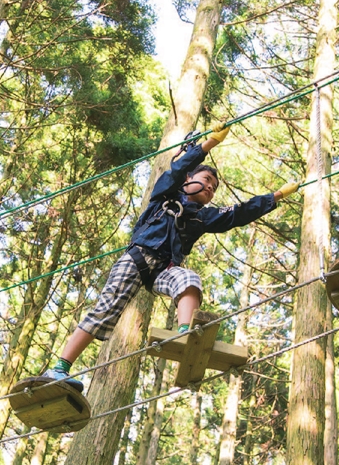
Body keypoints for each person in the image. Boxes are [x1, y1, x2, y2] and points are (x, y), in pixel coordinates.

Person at [42, 124, 299, 392]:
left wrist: (275, 197)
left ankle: (184, 332)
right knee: (104, 310)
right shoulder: (165, 193)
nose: (210, 188)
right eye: (206, 181)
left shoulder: (202, 216)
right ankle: (59, 368)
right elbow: (177, 169)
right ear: (188, 180)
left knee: (188, 278)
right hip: (137, 258)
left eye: (214, 188)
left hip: (162, 271)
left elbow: (238, 213)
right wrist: (209, 144)